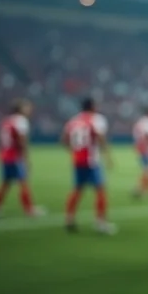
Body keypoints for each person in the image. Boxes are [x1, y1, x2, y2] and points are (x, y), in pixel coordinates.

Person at [62, 98, 115, 234]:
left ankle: (69, 218)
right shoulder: (96, 119)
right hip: (91, 161)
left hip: (77, 160)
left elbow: (64, 139)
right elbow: (100, 138)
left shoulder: (73, 121)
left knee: (77, 189)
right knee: (100, 190)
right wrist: (108, 156)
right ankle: (100, 222)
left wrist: (73, 151)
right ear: (93, 107)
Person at [0, 99, 42, 217]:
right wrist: (26, 158)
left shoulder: (7, 120)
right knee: (23, 182)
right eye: (26, 107)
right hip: (15, 157)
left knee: (5, 183)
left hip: (5, 155)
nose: (29, 109)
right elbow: (21, 140)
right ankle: (29, 209)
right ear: (20, 109)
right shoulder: (21, 121)